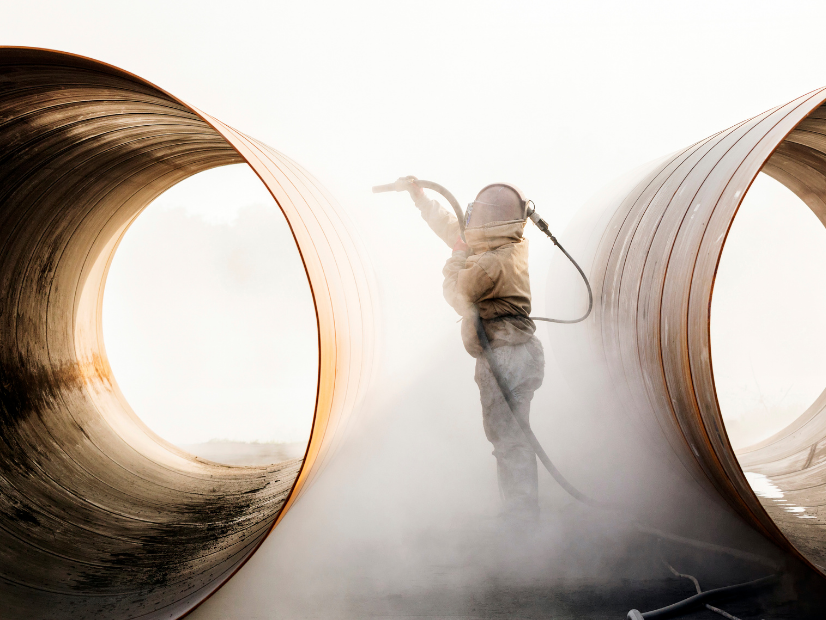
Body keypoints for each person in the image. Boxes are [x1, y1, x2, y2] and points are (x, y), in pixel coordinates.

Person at [405, 180, 545, 524]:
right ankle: (522, 509)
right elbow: (455, 229)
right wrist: (422, 200)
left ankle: (521, 515)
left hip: (505, 356)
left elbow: (457, 294)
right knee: (515, 436)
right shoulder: (506, 244)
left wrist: (455, 255)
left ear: (490, 221)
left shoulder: (489, 264)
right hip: (519, 351)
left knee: (508, 438)